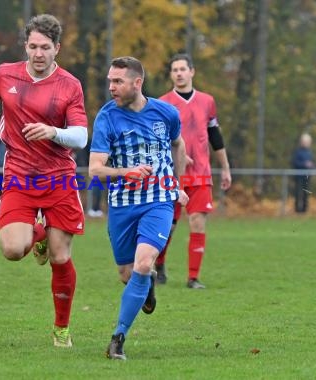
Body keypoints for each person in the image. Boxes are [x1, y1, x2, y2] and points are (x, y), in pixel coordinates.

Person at [0, 14, 88, 348]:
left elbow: (81, 137)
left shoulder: (69, 85)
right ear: (26, 46)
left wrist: (53, 132)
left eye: (45, 47)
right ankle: (39, 233)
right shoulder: (5, 74)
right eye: (33, 46)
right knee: (13, 249)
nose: (38, 53)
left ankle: (61, 328)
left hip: (59, 178)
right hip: (18, 175)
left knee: (60, 257)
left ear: (56, 48)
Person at [89, 56, 188, 360]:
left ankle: (117, 339)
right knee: (127, 273)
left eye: (117, 81)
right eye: (109, 81)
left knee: (144, 264)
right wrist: (125, 172)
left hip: (158, 200)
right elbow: (95, 169)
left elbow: (178, 146)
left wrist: (178, 186)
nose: (111, 87)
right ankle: (146, 287)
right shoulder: (107, 117)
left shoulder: (166, 113)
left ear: (137, 83)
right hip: (122, 205)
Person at [156, 53, 232, 289]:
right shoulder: (162, 103)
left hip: (201, 174)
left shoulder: (207, 101)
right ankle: (159, 264)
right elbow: (157, 141)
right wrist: (175, 154)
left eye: (182, 69)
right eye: (174, 70)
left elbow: (215, 136)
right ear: (171, 75)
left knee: (198, 222)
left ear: (192, 72)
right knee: (167, 226)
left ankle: (193, 277)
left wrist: (226, 168)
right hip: (171, 175)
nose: (178, 73)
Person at [291, 132, 314, 213]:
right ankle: (297, 209)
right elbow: (295, 163)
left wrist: (311, 166)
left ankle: (305, 209)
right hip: (299, 176)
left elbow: (312, 163)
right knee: (298, 193)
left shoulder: (309, 152)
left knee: (306, 193)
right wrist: (304, 164)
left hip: (307, 176)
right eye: (305, 141)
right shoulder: (298, 152)